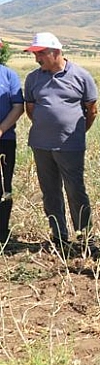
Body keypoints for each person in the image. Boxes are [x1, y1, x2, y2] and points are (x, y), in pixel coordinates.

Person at [24, 32, 97, 247]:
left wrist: (74, 133)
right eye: (35, 54)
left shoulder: (81, 75)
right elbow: (30, 109)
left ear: (55, 52)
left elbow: (91, 110)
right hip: (41, 144)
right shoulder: (33, 78)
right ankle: (59, 236)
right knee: (49, 191)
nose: (37, 59)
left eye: (40, 54)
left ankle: (85, 238)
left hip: (70, 146)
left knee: (75, 190)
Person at [0, 38, 25, 242]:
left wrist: (1, 129)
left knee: (3, 185)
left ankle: (1, 231)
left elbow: (18, 106)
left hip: (4, 139)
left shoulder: (9, 75)